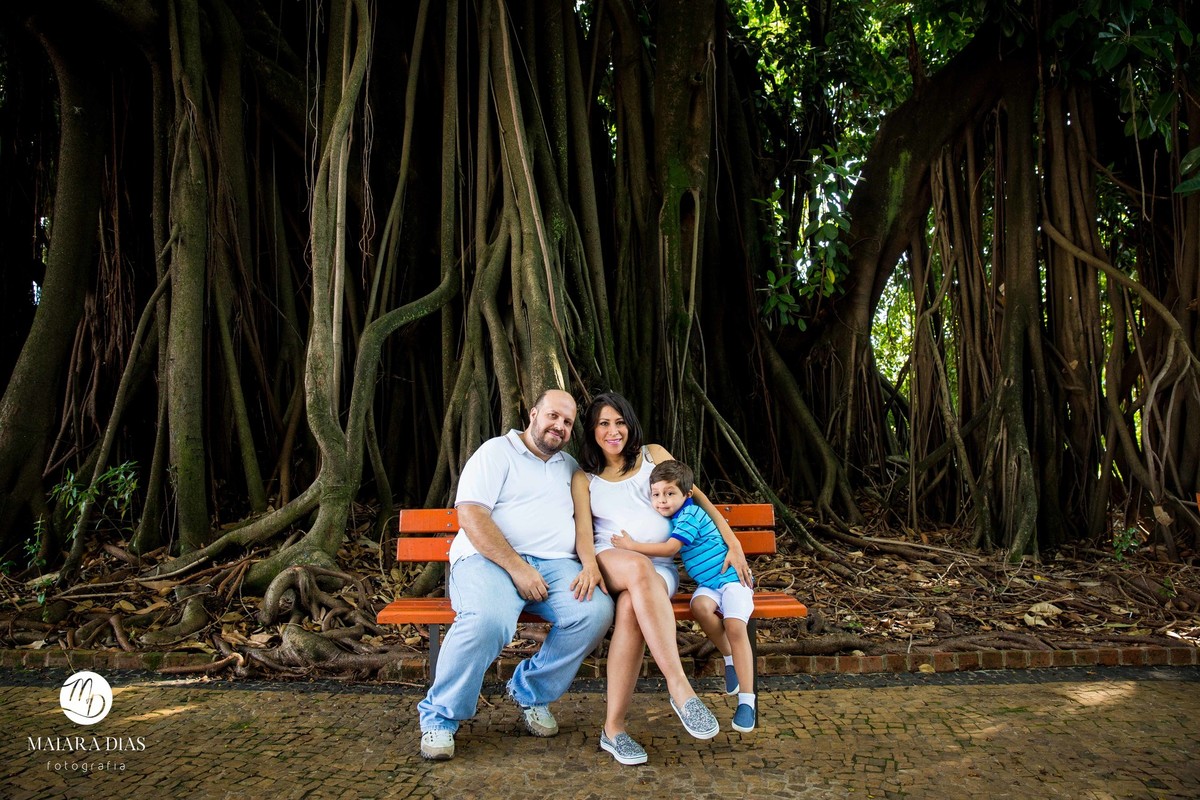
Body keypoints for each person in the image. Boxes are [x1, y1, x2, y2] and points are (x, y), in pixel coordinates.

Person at [417, 389, 614, 761]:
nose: (560, 426)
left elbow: (587, 522)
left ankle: (530, 691)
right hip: (487, 560)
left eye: (568, 422)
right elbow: (472, 515)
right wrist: (518, 567)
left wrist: (589, 563)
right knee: (486, 621)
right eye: (553, 416)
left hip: (556, 565)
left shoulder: (569, 467)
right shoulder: (496, 452)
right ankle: (440, 717)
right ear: (534, 413)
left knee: (595, 611)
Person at [572, 391, 751, 765]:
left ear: (630, 423)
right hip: (613, 559)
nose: (613, 430)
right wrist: (589, 564)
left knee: (629, 613)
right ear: (591, 430)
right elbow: (584, 535)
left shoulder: (653, 454)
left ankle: (613, 730)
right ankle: (680, 688)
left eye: (619, 421)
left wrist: (732, 541)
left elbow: (697, 498)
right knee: (638, 568)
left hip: (662, 571)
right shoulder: (584, 477)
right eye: (603, 423)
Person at [612, 459, 757, 733]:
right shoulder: (677, 515)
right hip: (709, 585)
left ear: (686, 495)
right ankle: (729, 658)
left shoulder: (689, 515)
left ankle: (747, 701)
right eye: (656, 495)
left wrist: (632, 546)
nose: (662, 501)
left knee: (736, 627)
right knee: (700, 607)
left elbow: (669, 549)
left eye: (669, 494)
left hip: (731, 580)